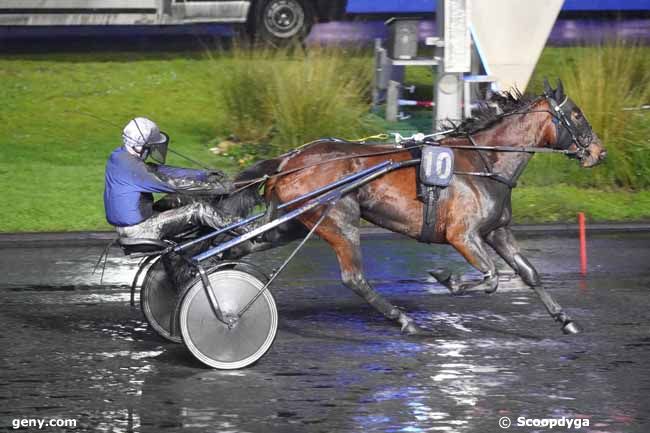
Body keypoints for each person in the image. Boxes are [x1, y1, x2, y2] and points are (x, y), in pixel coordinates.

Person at [104, 117, 239, 241]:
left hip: (137, 220)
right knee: (199, 210)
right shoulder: (133, 168)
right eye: (150, 147)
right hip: (140, 229)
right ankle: (246, 228)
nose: (151, 151)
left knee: (181, 198)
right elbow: (173, 184)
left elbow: (165, 171)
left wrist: (204, 175)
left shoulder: (120, 157)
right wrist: (219, 188)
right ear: (140, 147)